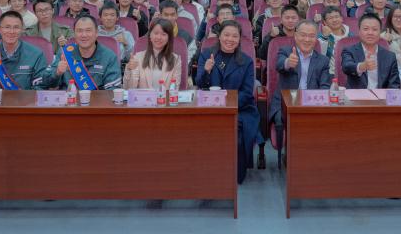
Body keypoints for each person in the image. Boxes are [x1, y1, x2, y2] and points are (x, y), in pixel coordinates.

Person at [195, 20, 260, 183]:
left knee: (237, 135)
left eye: (234, 36)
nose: (230, 39)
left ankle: (235, 174)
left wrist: (227, 105)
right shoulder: (207, 55)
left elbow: (247, 92)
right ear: (219, 36)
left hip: (240, 109)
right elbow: (200, 84)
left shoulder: (246, 61)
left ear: (239, 39)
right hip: (210, 108)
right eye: (226, 35)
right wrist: (206, 71)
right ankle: (208, 171)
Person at [269, 20, 331, 137]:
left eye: (311, 36)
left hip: (312, 104)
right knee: (285, 120)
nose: (307, 40)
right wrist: (288, 63)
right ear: (296, 36)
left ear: (316, 38)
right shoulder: (286, 51)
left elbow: (324, 87)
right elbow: (280, 64)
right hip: (285, 104)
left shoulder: (323, 60)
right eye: (303, 35)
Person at [48, 14, 122, 90]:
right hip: (69, 96)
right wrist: (57, 73)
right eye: (79, 31)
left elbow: (112, 90)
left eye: (88, 30)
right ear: (74, 34)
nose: (84, 35)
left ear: (96, 33)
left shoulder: (109, 57)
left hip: (98, 97)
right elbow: (47, 83)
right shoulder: (64, 53)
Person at [341, 14, 400, 89]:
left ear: (380, 32)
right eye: (366, 29)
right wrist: (362, 66)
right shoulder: (349, 51)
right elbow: (346, 67)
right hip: (357, 95)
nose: (370, 33)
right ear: (359, 31)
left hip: (381, 95)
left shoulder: (390, 56)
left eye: (374, 29)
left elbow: (394, 85)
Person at [122, 18, 181, 89]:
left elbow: (175, 89)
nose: (159, 37)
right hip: (143, 96)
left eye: (163, 34)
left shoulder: (175, 60)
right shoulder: (138, 57)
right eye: (156, 33)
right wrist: (129, 69)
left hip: (165, 96)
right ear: (150, 35)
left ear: (169, 38)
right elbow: (128, 89)